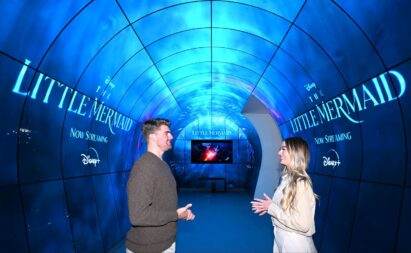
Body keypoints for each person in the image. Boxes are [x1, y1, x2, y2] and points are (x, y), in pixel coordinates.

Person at [126, 118, 195, 253]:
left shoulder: (161, 164)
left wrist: (180, 213)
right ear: (152, 137)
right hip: (148, 248)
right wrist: (176, 215)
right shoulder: (144, 167)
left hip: (164, 243)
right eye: (166, 133)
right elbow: (138, 216)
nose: (171, 136)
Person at [251, 137, 317, 253]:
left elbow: (303, 224)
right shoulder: (288, 179)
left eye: (283, 149)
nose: (279, 153)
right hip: (282, 238)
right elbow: (287, 211)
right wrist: (269, 206)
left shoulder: (301, 183)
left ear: (295, 152)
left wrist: (271, 207)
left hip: (294, 243)